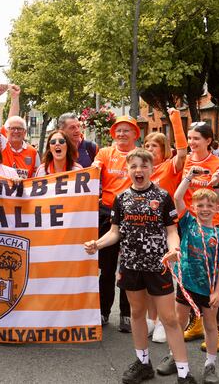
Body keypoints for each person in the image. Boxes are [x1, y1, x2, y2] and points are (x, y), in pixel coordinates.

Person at [84, 149, 195, 384]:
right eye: (134, 166)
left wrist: (174, 249)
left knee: (169, 319)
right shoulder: (121, 199)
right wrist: (98, 244)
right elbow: (114, 233)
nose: (138, 171)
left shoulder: (163, 197)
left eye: (143, 166)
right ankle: (143, 363)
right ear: (127, 170)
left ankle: (184, 374)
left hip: (158, 267)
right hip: (131, 265)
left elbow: (172, 232)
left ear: (151, 169)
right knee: (136, 313)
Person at [157, 174, 219, 383]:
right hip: (186, 284)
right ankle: (174, 357)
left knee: (210, 325)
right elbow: (178, 196)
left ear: (217, 209)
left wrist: (217, 292)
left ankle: (210, 365)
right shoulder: (188, 222)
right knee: (178, 322)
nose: (205, 209)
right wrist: (189, 177)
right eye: (200, 205)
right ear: (193, 207)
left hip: (208, 289)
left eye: (210, 205)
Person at [179, 121, 219, 353]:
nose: (191, 143)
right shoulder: (188, 162)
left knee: (213, 279)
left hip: (210, 229)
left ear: (208, 141)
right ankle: (198, 320)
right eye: (189, 138)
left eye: (196, 139)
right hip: (189, 227)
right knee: (191, 275)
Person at [141, 109, 187, 343]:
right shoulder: (142, 170)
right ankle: (151, 319)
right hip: (144, 230)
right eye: (147, 146)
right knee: (149, 276)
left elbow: (182, 151)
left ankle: (163, 322)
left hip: (166, 229)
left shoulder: (171, 166)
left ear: (164, 150)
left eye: (154, 146)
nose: (149, 150)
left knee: (164, 278)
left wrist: (176, 119)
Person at [92, 115, 139, 332]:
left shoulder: (139, 155)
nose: (121, 134)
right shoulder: (104, 152)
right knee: (108, 268)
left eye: (126, 130)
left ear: (135, 134)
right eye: (118, 130)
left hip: (133, 213)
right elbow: (93, 172)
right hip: (107, 212)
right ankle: (103, 311)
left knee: (129, 267)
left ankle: (127, 314)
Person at [0, 84, 40, 179]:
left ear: (25, 132)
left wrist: (15, 97)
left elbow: (37, 178)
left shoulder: (33, 152)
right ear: (6, 131)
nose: (16, 131)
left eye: (19, 129)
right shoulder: (1, 144)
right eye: (12, 128)